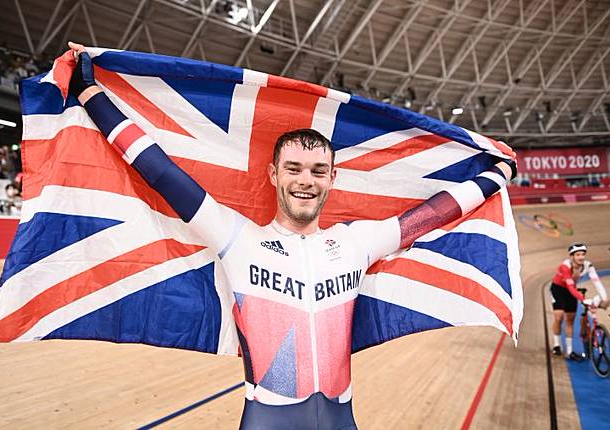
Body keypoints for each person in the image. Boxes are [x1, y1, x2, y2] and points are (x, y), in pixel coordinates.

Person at [67, 42, 515, 429]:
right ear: (273, 174)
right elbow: (162, 173)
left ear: (332, 178)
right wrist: (91, 94)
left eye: (318, 171)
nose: (305, 181)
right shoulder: (237, 239)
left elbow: (430, 215)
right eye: (294, 169)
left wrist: (496, 176)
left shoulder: (355, 244)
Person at [551, 242, 608, 361]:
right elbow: (570, 286)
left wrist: (604, 298)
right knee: (559, 317)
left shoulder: (588, 266)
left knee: (570, 320)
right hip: (558, 290)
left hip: (571, 291)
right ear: (572, 256)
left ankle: (570, 351)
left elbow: (596, 281)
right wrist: (583, 299)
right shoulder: (565, 266)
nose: (581, 257)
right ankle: (557, 345)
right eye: (578, 255)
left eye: (583, 254)